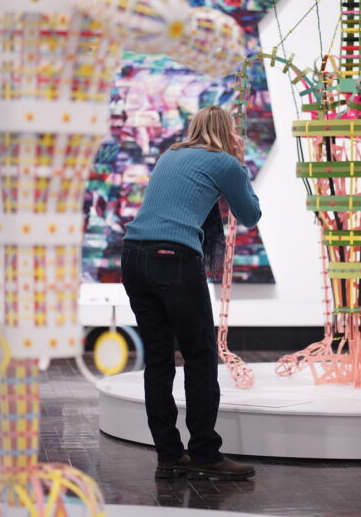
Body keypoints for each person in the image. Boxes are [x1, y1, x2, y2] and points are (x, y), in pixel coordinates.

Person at [121, 106, 261, 481]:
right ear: (228, 132)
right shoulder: (225, 163)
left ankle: (169, 455)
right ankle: (204, 453)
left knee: (159, 359)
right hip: (174, 259)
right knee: (200, 357)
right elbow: (250, 214)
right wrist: (240, 165)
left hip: (133, 256)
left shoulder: (171, 154)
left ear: (195, 128)